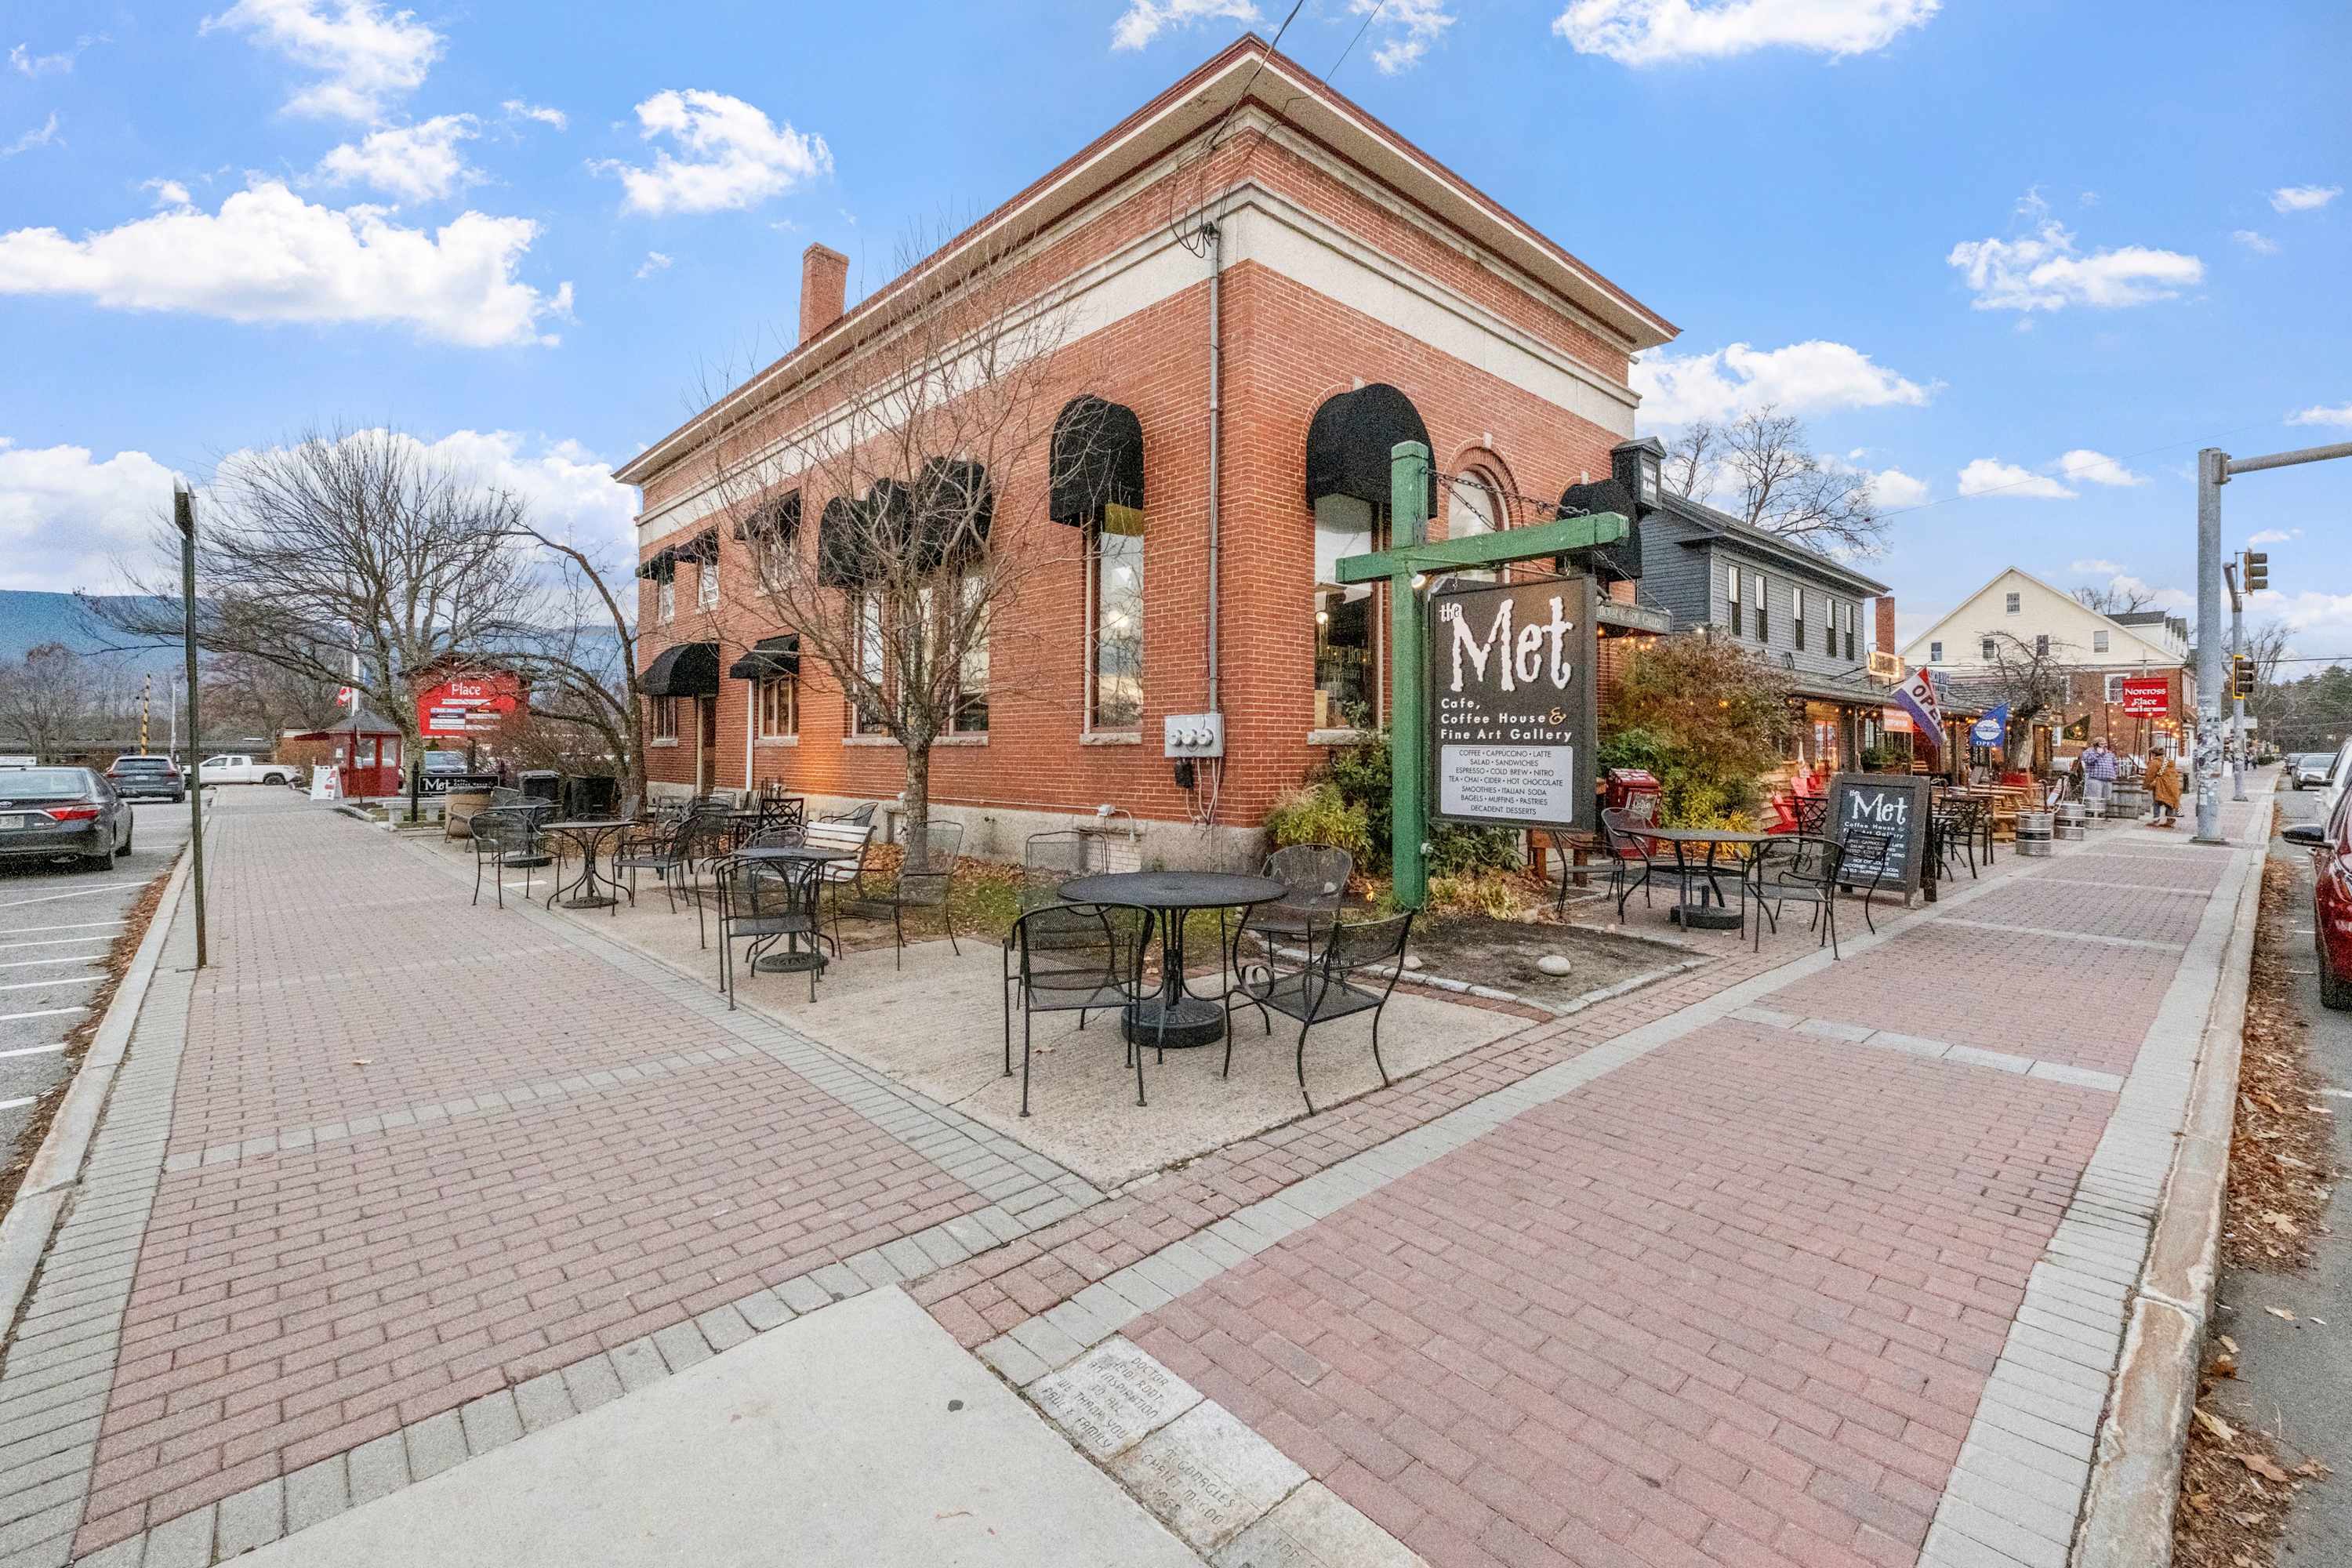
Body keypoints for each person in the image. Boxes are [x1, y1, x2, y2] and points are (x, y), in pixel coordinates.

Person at [2147, 745, 2183, 828]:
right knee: (2169, 802)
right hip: (2172, 784)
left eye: (2152, 754)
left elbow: (2150, 774)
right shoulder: (2170, 761)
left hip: (2161, 784)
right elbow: (2175, 773)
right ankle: (2170, 820)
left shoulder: (2155, 762)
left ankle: (2156, 820)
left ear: (2154, 754)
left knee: (2157, 802)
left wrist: (2147, 785)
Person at [2081, 740, 2118, 817]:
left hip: (2108, 779)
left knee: (2105, 799)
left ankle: (2102, 814)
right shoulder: (2089, 752)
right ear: (2096, 744)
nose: (2104, 745)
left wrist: (2114, 772)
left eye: (2105, 744)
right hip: (2095, 778)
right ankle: (2092, 815)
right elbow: (2088, 760)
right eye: (2101, 744)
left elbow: (2115, 764)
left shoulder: (2109, 753)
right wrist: (2097, 754)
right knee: (2094, 799)